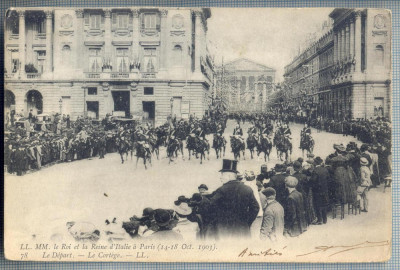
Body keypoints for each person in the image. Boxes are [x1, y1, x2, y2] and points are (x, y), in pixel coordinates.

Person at [208, 159, 259, 240]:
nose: (220, 177)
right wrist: (247, 222)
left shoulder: (221, 190)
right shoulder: (247, 189)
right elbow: (256, 208)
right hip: (243, 230)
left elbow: (210, 207)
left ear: (229, 176)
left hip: (224, 232)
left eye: (222, 175)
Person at [309, 157, 330, 224]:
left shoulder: (315, 171)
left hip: (317, 191)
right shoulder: (325, 170)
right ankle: (325, 219)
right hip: (325, 190)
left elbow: (313, 181)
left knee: (317, 205)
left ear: (315, 163)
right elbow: (328, 179)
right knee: (324, 204)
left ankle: (319, 220)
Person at [244, 170, 264, 239]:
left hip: (252, 213)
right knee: (256, 234)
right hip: (259, 213)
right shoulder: (254, 185)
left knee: (250, 235)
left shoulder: (246, 186)